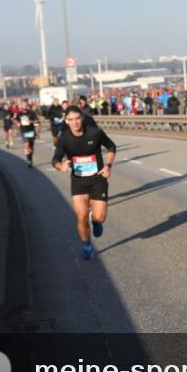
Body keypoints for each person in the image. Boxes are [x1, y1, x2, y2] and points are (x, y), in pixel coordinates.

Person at [52, 106, 117, 260]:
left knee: (99, 217)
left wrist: (108, 165)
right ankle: (87, 246)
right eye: (71, 120)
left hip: (97, 179)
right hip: (78, 181)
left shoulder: (95, 132)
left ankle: (95, 221)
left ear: (81, 118)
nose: (75, 123)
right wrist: (61, 166)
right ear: (66, 121)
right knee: (81, 216)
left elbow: (111, 146)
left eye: (77, 119)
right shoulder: (64, 139)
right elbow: (55, 159)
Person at [15, 100, 41, 168]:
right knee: (26, 145)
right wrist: (17, 123)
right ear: (21, 106)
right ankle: (28, 160)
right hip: (23, 131)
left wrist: (30, 121)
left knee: (31, 147)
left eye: (26, 105)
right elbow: (16, 120)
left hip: (31, 131)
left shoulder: (32, 113)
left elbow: (37, 120)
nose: (24, 106)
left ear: (27, 106)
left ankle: (30, 158)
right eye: (23, 105)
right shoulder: (19, 113)